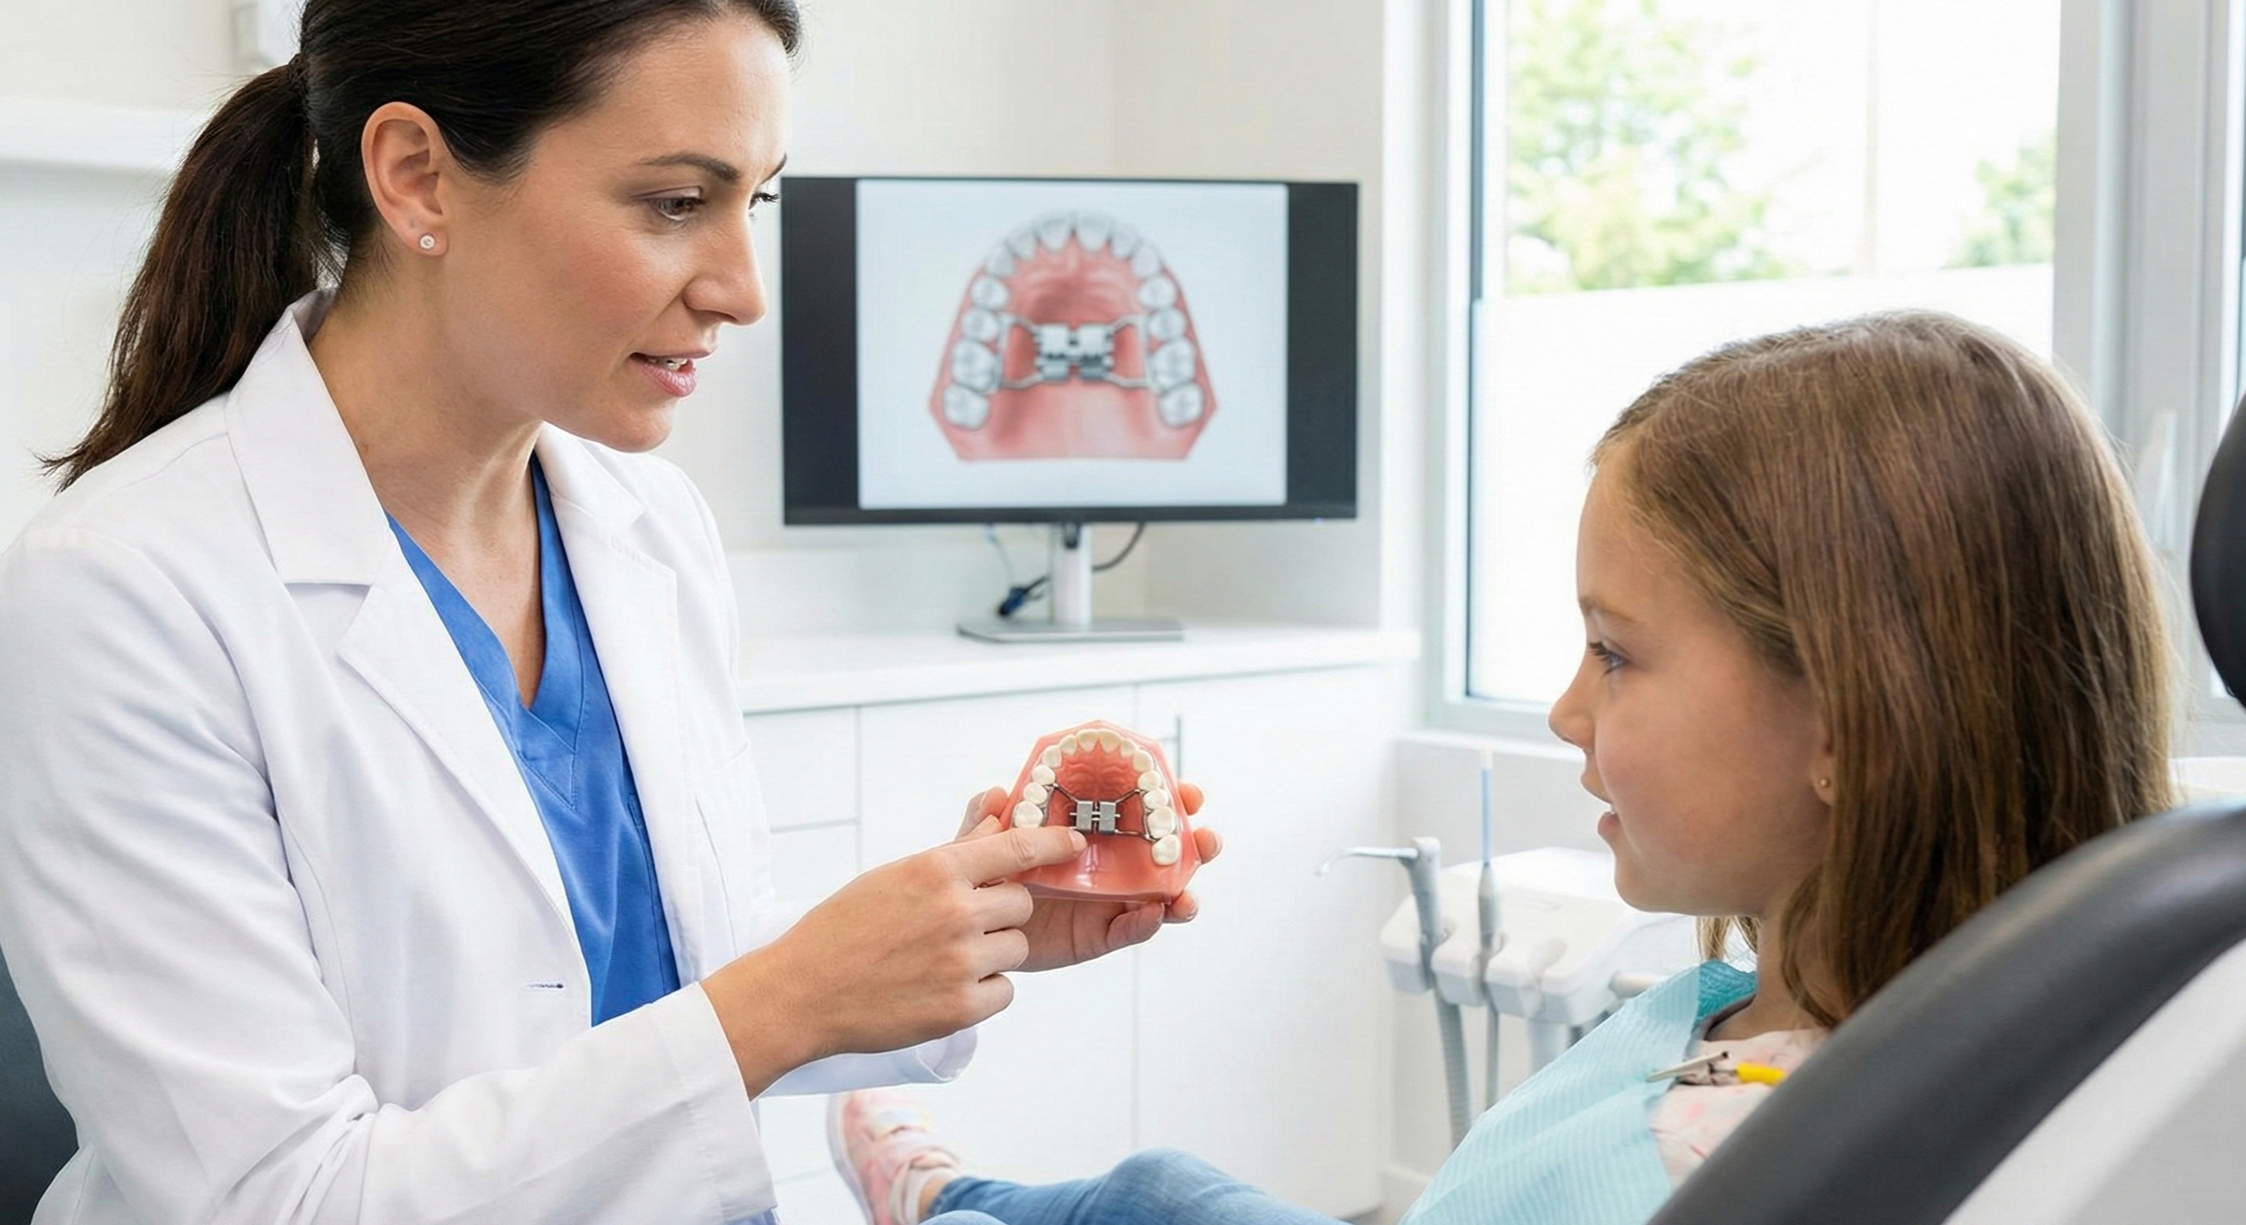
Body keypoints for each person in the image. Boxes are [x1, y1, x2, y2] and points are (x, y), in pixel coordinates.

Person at [0, 3, 1219, 1222]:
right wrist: (788, 997)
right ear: (417, 177)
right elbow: (276, 1200)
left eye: (759, 202)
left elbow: (674, 965)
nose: (743, 290)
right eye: (675, 203)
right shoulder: (121, 592)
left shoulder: (648, 526)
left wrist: (972, 920)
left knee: (1158, 1195)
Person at [827, 310, 2175, 1225]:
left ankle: (950, 1207)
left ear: (1844, 718)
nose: (1564, 710)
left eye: (1615, 653)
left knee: (1149, 1201)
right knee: (1168, 1187)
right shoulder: (1839, 1024)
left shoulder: (1710, 1164)